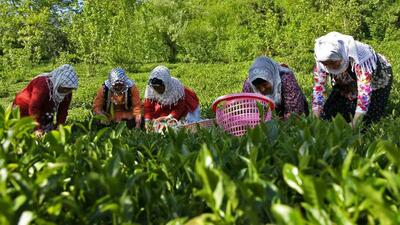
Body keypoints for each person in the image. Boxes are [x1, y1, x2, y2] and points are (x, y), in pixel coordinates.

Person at [312, 32, 393, 127]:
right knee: (328, 116)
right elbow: (318, 90)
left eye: (333, 63)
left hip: (376, 80)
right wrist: (315, 121)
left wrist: (355, 124)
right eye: (326, 63)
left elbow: (364, 94)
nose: (330, 66)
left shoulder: (360, 58)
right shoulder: (322, 57)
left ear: (341, 55)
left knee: (366, 124)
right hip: (348, 79)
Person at [13, 64, 78, 136]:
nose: (65, 91)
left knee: (46, 133)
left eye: (69, 89)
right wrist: (37, 128)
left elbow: (63, 110)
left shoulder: (67, 92)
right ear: (58, 82)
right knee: (23, 134)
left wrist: (60, 126)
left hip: (44, 111)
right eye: (63, 88)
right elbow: (34, 107)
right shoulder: (43, 85)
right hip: (24, 107)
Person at [242, 56, 309, 119]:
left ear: (271, 79)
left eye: (265, 85)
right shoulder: (249, 85)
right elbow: (248, 111)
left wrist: (281, 127)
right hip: (265, 120)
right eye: (258, 87)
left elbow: (295, 111)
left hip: (287, 116)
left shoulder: (285, 78)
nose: (262, 89)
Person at [144, 66, 200, 130]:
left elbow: (179, 108)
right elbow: (148, 107)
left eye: (159, 88)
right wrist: (148, 121)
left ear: (166, 83)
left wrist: (169, 117)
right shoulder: (150, 89)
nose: (157, 90)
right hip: (163, 106)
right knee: (156, 124)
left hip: (182, 107)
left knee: (185, 125)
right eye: (155, 88)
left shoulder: (177, 88)